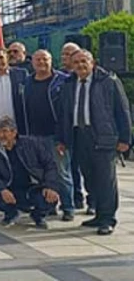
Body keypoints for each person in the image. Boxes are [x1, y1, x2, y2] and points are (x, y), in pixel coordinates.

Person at [58, 50, 131, 235]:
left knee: (106, 180)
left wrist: (125, 139)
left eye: (84, 61)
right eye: (76, 62)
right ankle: (98, 213)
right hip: (79, 136)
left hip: (103, 136)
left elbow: (122, 111)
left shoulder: (109, 81)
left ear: (93, 62)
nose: (80, 65)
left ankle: (107, 219)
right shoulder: (69, 84)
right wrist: (63, 139)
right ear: (71, 65)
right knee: (89, 178)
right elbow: (64, 114)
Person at [22, 50, 73, 221]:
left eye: (45, 59)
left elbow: (66, 112)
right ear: (32, 62)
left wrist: (63, 138)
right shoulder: (26, 82)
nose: (41, 62)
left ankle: (68, 207)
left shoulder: (62, 81)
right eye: (38, 59)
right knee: (41, 175)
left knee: (61, 173)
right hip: (32, 136)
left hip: (55, 136)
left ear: (51, 61)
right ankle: (49, 205)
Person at [0, 116, 59, 229]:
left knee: (51, 197)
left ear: (14, 132)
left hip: (34, 187)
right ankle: (11, 213)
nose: (1, 135)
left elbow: (50, 164)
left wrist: (50, 185)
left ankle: (38, 216)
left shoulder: (32, 144)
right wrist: (2, 189)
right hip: (10, 188)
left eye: (4, 131)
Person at [59, 41, 92, 214]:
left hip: (92, 133)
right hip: (72, 132)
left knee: (90, 170)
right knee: (71, 168)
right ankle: (75, 198)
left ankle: (93, 202)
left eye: (72, 54)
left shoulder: (98, 80)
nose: (69, 58)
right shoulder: (66, 81)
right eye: (65, 54)